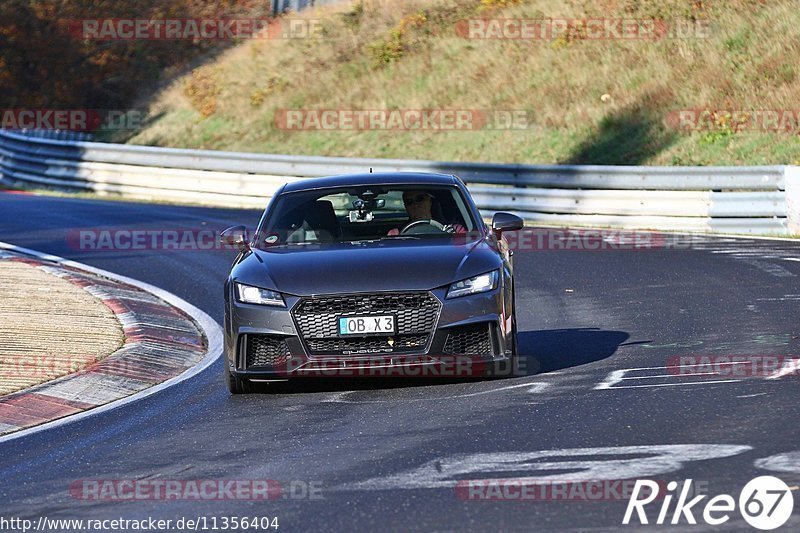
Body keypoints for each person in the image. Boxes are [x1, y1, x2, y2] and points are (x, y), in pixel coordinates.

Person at [388, 190, 466, 235]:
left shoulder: (455, 230)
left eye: (419, 199)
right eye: (409, 202)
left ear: (430, 201)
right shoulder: (396, 233)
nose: (415, 205)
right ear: (406, 207)